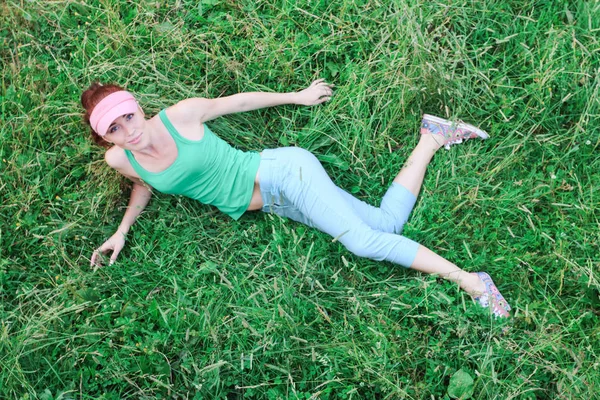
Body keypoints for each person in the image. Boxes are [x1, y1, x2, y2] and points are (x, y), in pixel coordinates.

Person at [82, 79, 511, 318]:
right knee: (384, 226)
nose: (129, 129)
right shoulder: (120, 159)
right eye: (114, 128)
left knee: (362, 243)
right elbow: (144, 184)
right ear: (104, 137)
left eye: (129, 116)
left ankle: (472, 281)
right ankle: (432, 138)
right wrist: (122, 230)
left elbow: (238, 102)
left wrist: (298, 96)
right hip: (275, 201)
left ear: (138, 107)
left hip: (284, 171)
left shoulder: (180, 116)